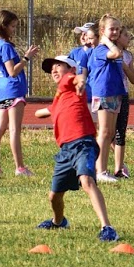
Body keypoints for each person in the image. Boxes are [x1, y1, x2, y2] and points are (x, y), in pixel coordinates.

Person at [33, 55, 118, 242]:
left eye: (58, 65)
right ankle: (58, 222)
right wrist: (45, 111)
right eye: (52, 69)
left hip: (83, 144)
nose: (54, 70)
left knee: (87, 181)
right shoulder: (59, 98)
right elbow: (42, 112)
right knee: (54, 196)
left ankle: (107, 227)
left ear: (71, 69)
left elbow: (77, 78)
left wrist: (80, 81)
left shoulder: (69, 82)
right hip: (65, 151)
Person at [0, 9, 38, 177]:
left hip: (3, 92)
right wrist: (26, 58)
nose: (14, 30)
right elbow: (12, 71)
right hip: (13, 91)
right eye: (13, 26)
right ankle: (20, 167)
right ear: (3, 26)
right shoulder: (5, 46)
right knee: (14, 130)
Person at [87, 15, 126, 183]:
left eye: (118, 29)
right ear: (103, 31)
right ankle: (100, 170)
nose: (115, 32)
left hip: (115, 93)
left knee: (110, 133)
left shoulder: (113, 48)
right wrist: (106, 41)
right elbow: (116, 53)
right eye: (112, 29)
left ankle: (103, 169)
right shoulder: (102, 49)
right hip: (103, 93)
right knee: (103, 132)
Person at [111, 26, 134, 179]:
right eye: (125, 35)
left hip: (123, 95)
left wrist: (124, 65)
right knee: (107, 133)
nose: (128, 38)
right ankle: (100, 167)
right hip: (110, 95)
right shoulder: (108, 52)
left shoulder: (128, 56)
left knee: (120, 132)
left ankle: (119, 168)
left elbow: (133, 79)